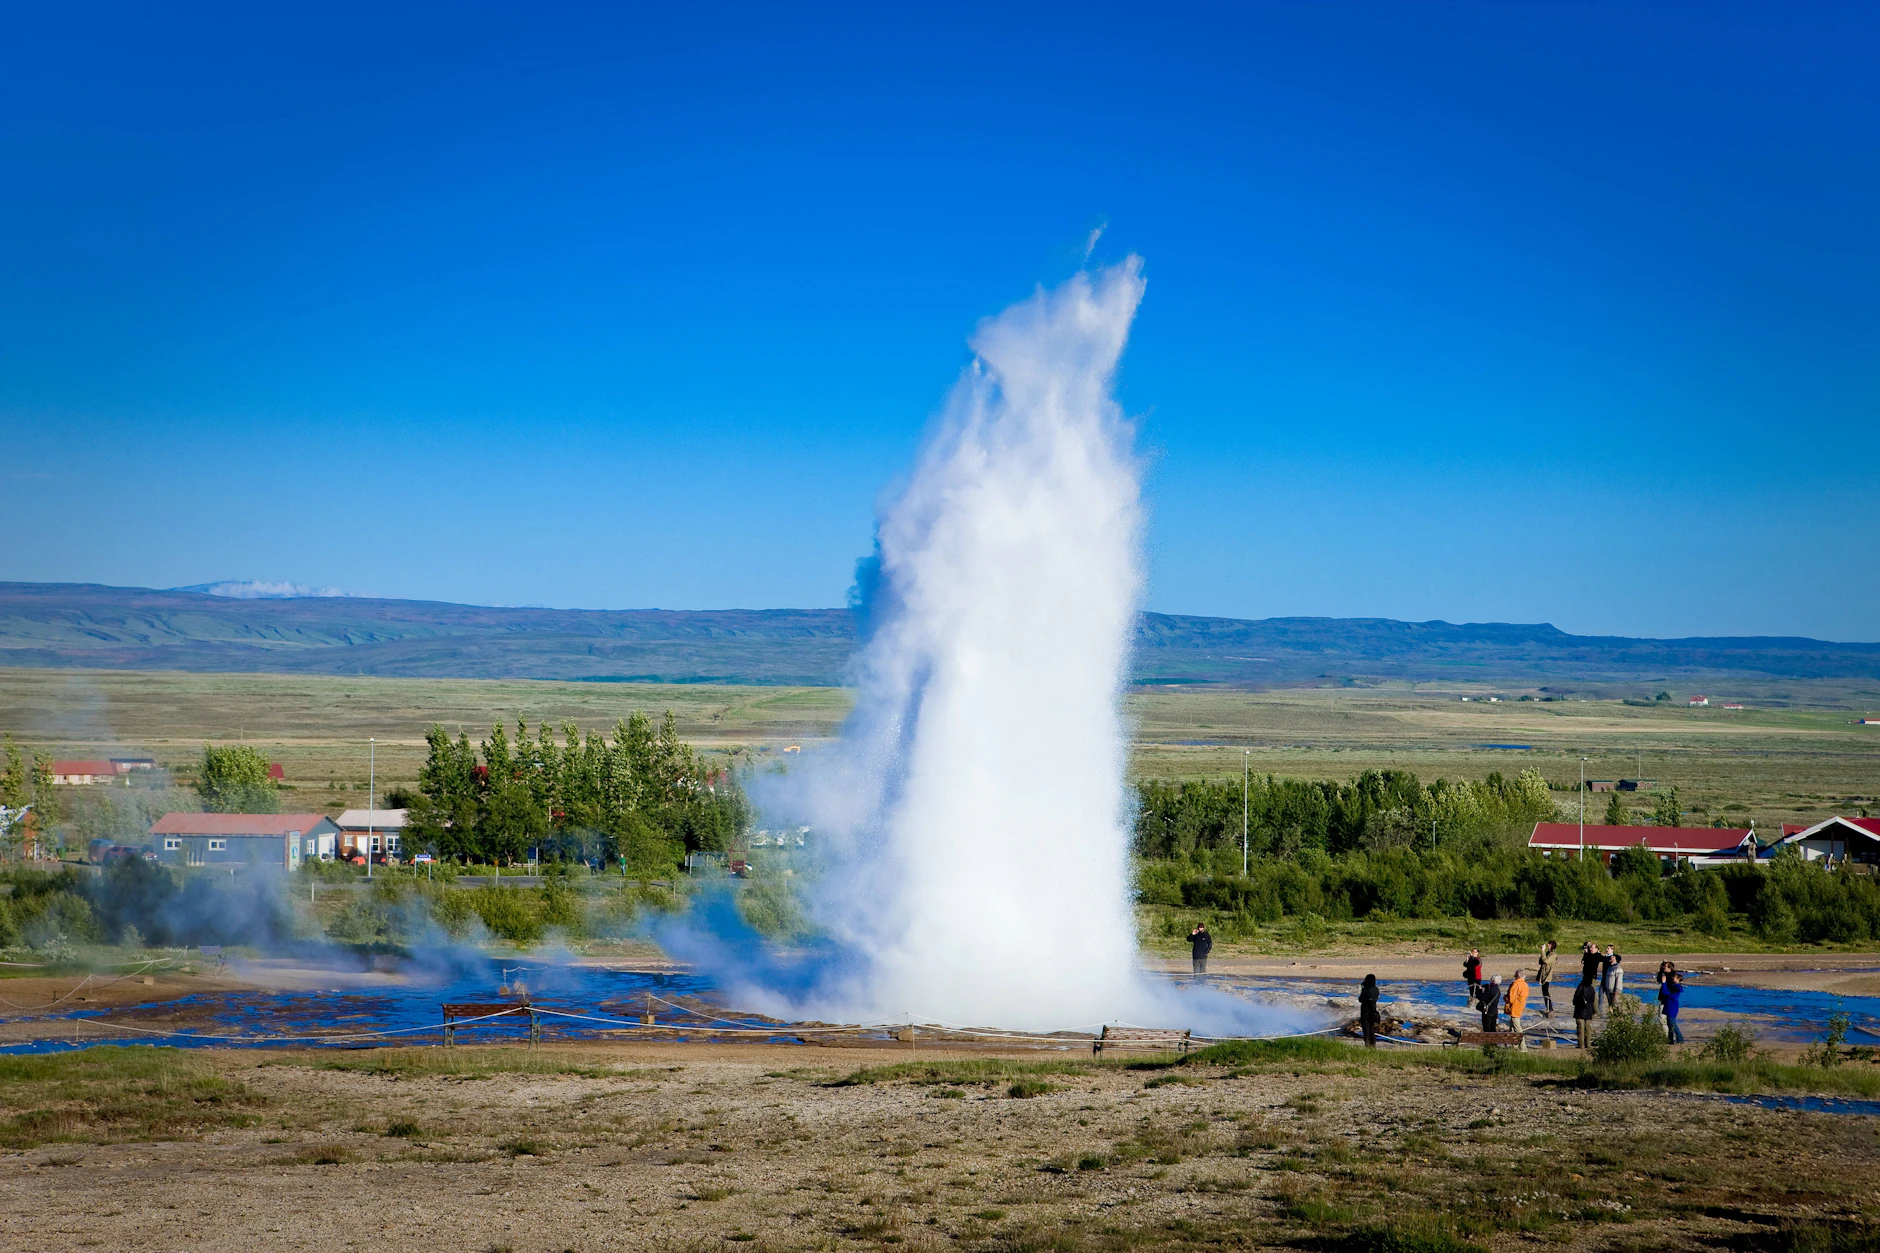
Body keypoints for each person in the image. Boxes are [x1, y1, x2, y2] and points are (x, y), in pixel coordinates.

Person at [1660, 971, 1685, 1044]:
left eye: (1674, 977)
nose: (1673, 978)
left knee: (1672, 1023)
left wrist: (1664, 983)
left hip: (1672, 1006)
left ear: (1678, 979)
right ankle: (1670, 1039)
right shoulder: (1674, 986)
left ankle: (1680, 1039)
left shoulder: (1676, 987)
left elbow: (1666, 993)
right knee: (1669, 1023)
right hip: (1669, 1005)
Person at [1572, 976, 1598, 1049]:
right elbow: (1594, 1001)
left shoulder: (1581, 987)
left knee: (1581, 1029)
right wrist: (1595, 1011)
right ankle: (1588, 1044)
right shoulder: (1592, 989)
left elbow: (1575, 998)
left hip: (1580, 1011)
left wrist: (1575, 1003)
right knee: (1588, 1029)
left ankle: (1581, 1045)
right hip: (1589, 1011)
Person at [1506, 970, 1530, 1045]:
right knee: (1512, 1027)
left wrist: (1505, 998)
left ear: (1517, 976)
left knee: (1517, 1027)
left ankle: (1522, 1046)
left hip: (1515, 1007)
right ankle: (1514, 1046)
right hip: (1520, 1006)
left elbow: (1511, 999)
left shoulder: (1516, 985)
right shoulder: (1525, 984)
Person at [1536, 940, 1558, 1016]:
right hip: (1543, 974)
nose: (1548, 945)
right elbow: (1540, 961)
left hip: (1547, 975)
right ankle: (1548, 1007)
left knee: (1546, 992)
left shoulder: (1553, 954)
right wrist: (1543, 952)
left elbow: (1546, 961)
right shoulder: (1548, 953)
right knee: (1544, 991)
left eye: (1550, 944)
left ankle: (1550, 1008)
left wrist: (1542, 951)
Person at [1359, 973, 1381, 1049]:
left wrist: (1363, 988)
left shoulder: (1366, 990)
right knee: (1372, 1029)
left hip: (1365, 1012)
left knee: (1366, 1030)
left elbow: (1361, 999)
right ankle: (1373, 1045)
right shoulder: (1376, 989)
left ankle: (1367, 1045)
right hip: (1373, 1011)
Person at [1602, 946, 1625, 1011]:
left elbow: (1619, 981)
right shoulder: (1610, 968)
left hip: (1614, 992)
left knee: (1616, 1006)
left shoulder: (1618, 969)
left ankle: (1618, 1019)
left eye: (1612, 957)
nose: (1611, 957)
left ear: (1615, 959)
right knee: (1610, 1007)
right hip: (1609, 991)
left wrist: (1616, 992)